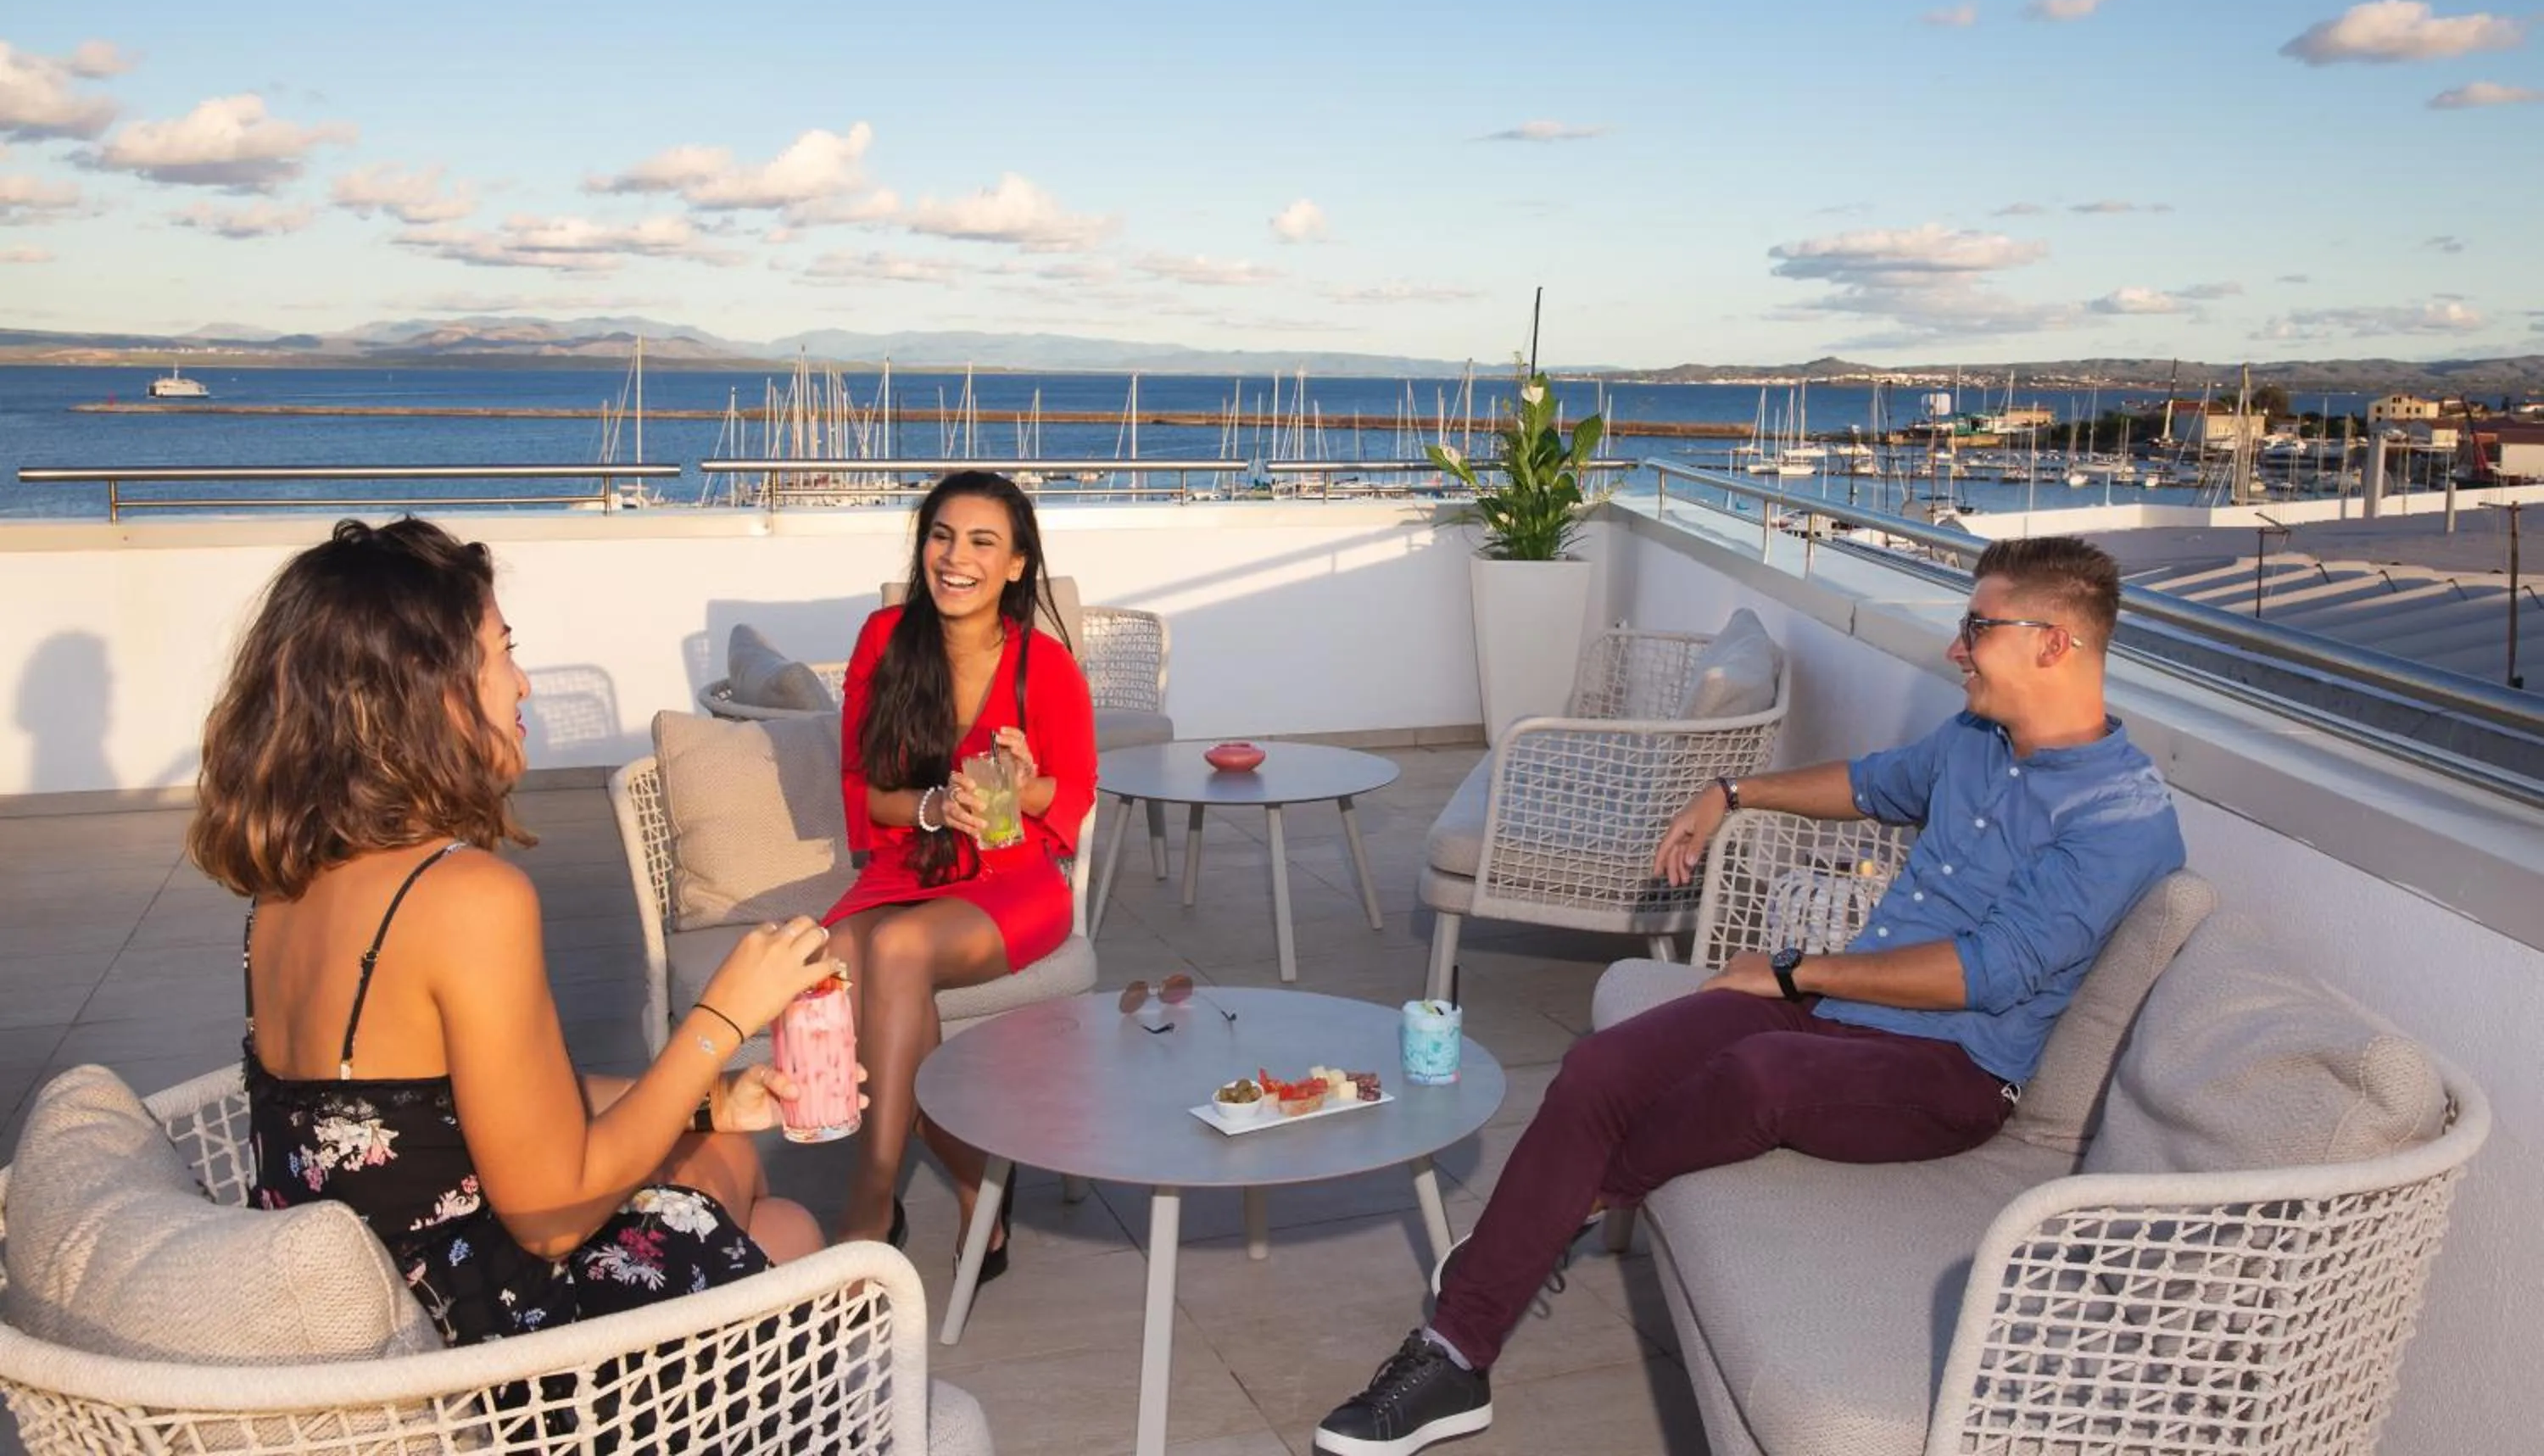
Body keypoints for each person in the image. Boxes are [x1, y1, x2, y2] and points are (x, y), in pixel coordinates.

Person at [1315, 536, 2187, 1456]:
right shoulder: (1974, 739)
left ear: (2054, 642)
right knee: (1602, 1065)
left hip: (1954, 1070)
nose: (1955, 648)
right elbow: (1871, 784)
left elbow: (1989, 969)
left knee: (1758, 1071)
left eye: (1977, 626)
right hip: (1841, 1009)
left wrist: (1792, 969)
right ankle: (1454, 1359)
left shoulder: (2119, 818)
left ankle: (1534, 1231)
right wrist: (1731, 789)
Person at [192, 518, 839, 1347]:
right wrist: (720, 1022)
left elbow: (432, 1115)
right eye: (502, 652)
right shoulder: (464, 897)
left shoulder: (288, 886)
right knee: (781, 1225)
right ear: (430, 690)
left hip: (375, 1312)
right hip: (478, 1360)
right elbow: (552, 1216)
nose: (524, 684)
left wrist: (715, 1097)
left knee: (733, 1156)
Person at [825, 469, 1098, 1275]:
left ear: (1016, 565)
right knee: (835, 961)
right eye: (943, 535)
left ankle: (871, 1200)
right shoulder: (884, 639)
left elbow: (1074, 794)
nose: (956, 556)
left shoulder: (1043, 664)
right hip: (913, 862)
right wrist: (933, 808)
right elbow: (864, 790)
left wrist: (1026, 774)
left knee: (899, 952)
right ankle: (980, 1188)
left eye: (983, 541)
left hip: (1014, 881)